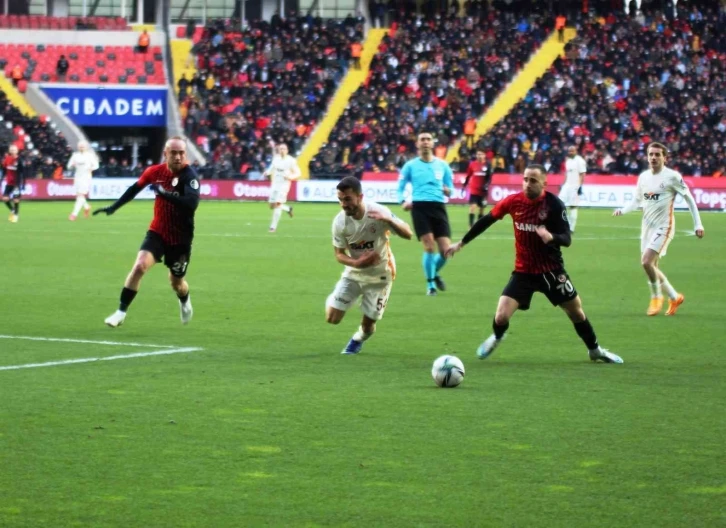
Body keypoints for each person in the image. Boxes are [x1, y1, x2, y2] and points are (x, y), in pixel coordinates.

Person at [446, 164, 623, 364]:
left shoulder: (554, 205)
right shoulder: (513, 202)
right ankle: (497, 336)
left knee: (575, 311)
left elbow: (567, 238)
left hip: (552, 271)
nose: (527, 184)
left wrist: (551, 237)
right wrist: (461, 243)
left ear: (544, 184)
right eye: (525, 179)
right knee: (501, 316)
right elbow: (487, 220)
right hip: (524, 272)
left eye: (533, 181)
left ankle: (595, 350)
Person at [93, 137, 200, 328]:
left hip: (180, 239)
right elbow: (135, 189)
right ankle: (120, 312)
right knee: (140, 266)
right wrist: (114, 207)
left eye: (181, 153)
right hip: (158, 232)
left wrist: (165, 194)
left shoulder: (189, 176)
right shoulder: (154, 172)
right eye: (173, 152)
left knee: (177, 283)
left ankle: (184, 300)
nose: (178, 157)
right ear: (165, 153)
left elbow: (191, 204)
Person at [613, 142, 704, 316]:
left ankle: (656, 297)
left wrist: (698, 224)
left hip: (665, 226)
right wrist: (622, 210)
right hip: (647, 227)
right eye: (651, 154)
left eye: (657, 154)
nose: (653, 157)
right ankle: (675, 297)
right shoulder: (644, 177)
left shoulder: (672, 177)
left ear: (665, 157)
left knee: (646, 262)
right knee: (652, 267)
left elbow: (689, 199)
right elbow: (636, 200)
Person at [326, 176, 413, 354]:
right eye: (340, 200)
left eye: (348, 199)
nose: (343, 204)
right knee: (332, 318)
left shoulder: (378, 212)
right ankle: (339, 297)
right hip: (354, 272)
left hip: (381, 275)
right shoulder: (340, 222)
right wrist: (357, 262)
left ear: (360, 196)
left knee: (368, 326)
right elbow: (339, 255)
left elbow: (408, 234)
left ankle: (358, 339)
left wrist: (389, 220)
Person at [397, 131, 454, 296]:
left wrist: (447, 190)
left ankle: (433, 273)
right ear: (417, 144)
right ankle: (430, 286)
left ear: (433, 143)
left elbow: (451, 188)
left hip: (438, 207)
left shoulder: (442, 165)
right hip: (419, 207)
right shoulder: (410, 166)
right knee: (429, 246)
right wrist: (403, 201)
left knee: (446, 250)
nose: (425, 142)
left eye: (428, 139)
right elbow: (400, 187)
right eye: (422, 139)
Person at [263, 143, 300, 232]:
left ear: (287, 150)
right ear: (279, 150)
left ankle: (273, 227)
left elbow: (298, 173)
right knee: (272, 205)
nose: (282, 150)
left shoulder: (291, 160)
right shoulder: (276, 159)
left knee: (278, 204)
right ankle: (288, 209)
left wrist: (290, 177)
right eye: (280, 149)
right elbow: (271, 168)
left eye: (284, 149)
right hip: (275, 183)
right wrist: (267, 172)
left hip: (284, 184)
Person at [67, 140, 99, 220]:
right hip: (77, 177)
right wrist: (72, 165)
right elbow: (68, 166)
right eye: (80, 146)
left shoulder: (90, 156)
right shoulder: (75, 155)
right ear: (78, 147)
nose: (81, 148)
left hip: (86, 177)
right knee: (79, 195)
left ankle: (74, 214)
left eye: (83, 146)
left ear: (86, 147)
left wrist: (91, 168)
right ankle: (87, 207)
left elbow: (96, 165)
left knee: (80, 195)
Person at [462, 147, 492, 228]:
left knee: (482, 210)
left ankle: (479, 227)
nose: (479, 156)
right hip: (474, 190)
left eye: (481, 154)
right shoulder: (472, 164)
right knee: (472, 207)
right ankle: (470, 226)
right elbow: (468, 176)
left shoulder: (488, 165)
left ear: (484, 155)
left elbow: (489, 177)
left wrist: (486, 185)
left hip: (483, 191)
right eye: (478, 154)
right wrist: (464, 185)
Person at [559, 145, 587, 233]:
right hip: (567, 185)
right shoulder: (568, 161)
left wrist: (580, 186)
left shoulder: (580, 161)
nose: (570, 152)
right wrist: (563, 184)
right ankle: (561, 224)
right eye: (569, 151)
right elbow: (567, 174)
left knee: (573, 206)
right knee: (559, 203)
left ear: (576, 151)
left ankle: (571, 228)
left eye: (572, 151)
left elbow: (582, 174)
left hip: (575, 186)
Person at [1, 145, 21, 223]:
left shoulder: (19, 160)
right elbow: (4, 169)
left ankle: (16, 214)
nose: (12, 151)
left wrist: (20, 183)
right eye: (11, 150)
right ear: (9, 151)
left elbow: (22, 172)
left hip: (16, 183)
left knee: (16, 199)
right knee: (5, 199)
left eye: (14, 150)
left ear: (17, 151)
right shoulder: (7, 159)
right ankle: (12, 210)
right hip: (9, 183)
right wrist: (2, 179)